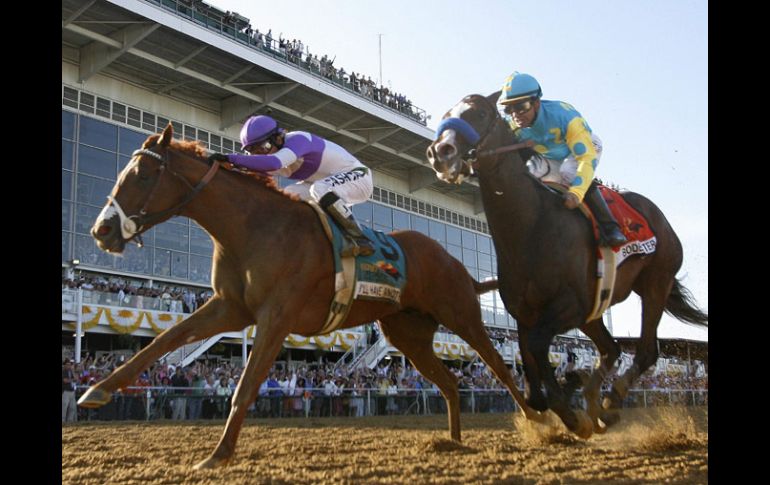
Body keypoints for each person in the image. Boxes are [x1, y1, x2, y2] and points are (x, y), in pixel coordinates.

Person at [208, 115, 375, 255]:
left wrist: (232, 159)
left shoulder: (298, 140)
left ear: (278, 137)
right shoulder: (273, 157)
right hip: (328, 182)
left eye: (264, 147)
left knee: (320, 189)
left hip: (359, 176)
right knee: (289, 194)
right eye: (254, 152)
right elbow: (252, 173)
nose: (261, 154)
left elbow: (273, 162)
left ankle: (359, 238)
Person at [497, 72, 627, 247]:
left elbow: (585, 158)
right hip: (551, 156)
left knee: (569, 171)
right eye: (508, 109)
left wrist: (576, 193)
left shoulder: (565, 116)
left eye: (521, 106)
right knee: (528, 174)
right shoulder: (512, 126)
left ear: (536, 102)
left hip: (585, 149)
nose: (515, 115)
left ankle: (610, 227)